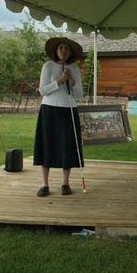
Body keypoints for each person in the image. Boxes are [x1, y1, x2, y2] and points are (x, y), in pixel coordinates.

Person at [34, 37, 84, 197]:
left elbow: (79, 94)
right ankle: (44, 184)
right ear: (56, 50)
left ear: (70, 53)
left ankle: (65, 183)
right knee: (47, 144)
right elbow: (42, 90)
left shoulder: (74, 69)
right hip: (49, 109)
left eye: (67, 49)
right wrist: (59, 80)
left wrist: (72, 79)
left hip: (68, 109)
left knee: (67, 145)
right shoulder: (48, 66)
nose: (63, 51)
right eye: (61, 48)